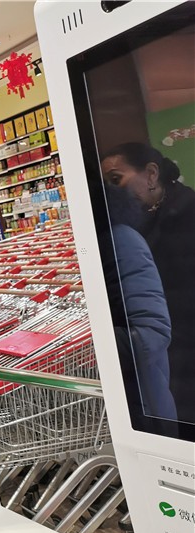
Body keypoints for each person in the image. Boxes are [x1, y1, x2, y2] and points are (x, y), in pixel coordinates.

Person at [101, 143, 195, 422]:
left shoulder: (188, 213)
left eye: (116, 179)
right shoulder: (129, 225)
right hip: (163, 352)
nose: (111, 191)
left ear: (151, 174)